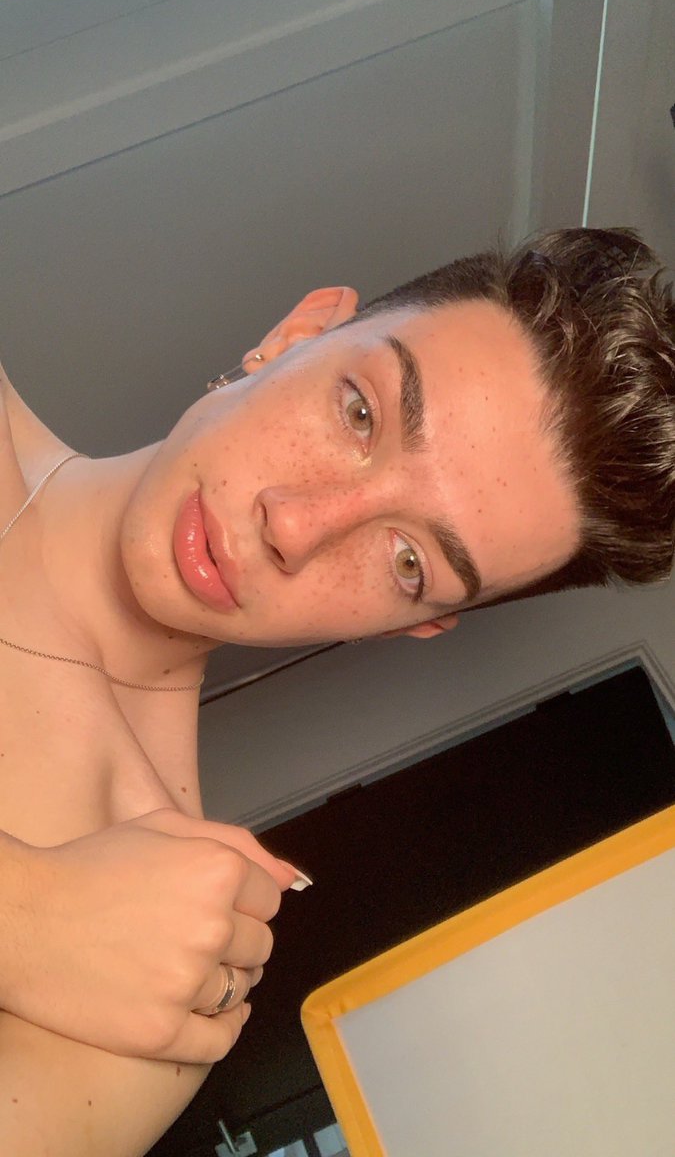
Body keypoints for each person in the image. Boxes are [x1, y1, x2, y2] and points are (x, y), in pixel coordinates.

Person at [0, 226, 673, 1156]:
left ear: (410, 625)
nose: (297, 526)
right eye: (360, 412)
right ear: (295, 336)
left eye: (408, 561)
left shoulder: (158, 969)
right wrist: (25, 912)